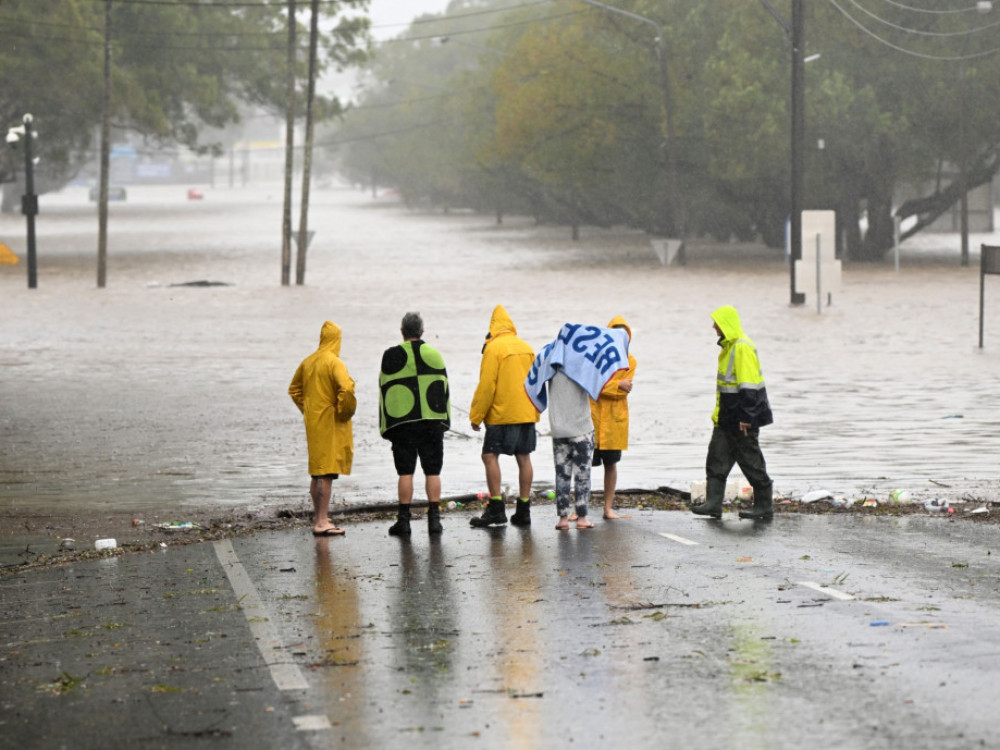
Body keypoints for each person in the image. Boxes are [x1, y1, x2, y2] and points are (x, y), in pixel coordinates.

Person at [525, 323, 630, 530]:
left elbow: (534, 381)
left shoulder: (550, 363)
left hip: (559, 429)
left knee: (562, 475)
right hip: (582, 428)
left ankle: (563, 520)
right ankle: (582, 519)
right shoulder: (582, 363)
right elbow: (599, 383)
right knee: (582, 475)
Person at [691, 305, 774, 521]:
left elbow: (749, 385)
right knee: (716, 459)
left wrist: (747, 417)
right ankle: (713, 504)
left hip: (741, 419)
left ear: (725, 324)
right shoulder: (728, 348)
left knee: (751, 461)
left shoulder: (741, 347)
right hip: (726, 418)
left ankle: (764, 505)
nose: (713, 326)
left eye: (716, 323)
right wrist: (718, 416)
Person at [378, 312, 451, 537]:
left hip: (403, 424)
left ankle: (404, 521)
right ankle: (434, 521)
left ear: (402, 331)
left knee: (405, 472)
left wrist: (387, 426)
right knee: (433, 471)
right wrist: (444, 421)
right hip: (431, 421)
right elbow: (444, 389)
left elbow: (385, 391)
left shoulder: (390, 355)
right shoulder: (434, 354)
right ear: (422, 331)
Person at [468, 305, 539, 527]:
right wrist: (535, 411)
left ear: (493, 328)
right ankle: (524, 510)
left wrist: (476, 415)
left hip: (501, 414)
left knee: (489, 456)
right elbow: (536, 382)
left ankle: (496, 508)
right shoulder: (527, 348)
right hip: (526, 412)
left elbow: (487, 386)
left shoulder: (494, 348)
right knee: (524, 457)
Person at [289, 320, 357, 536]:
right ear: (337, 340)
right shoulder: (334, 362)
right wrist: (343, 411)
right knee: (326, 472)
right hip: (330, 422)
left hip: (314, 422)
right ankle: (320, 522)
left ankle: (320, 515)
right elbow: (346, 389)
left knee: (316, 471)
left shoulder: (308, 362)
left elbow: (294, 390)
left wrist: (308, 408)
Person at [587, 315, 637, 520]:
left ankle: (607, 508)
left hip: (615, 419)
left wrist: (608, 386)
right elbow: (590, 384)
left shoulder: (630, 361)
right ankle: (578, 508)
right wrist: (616, 385)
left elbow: (623, 391)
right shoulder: (595, 358)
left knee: (611, 464)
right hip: (592, 418)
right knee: (584, 465)